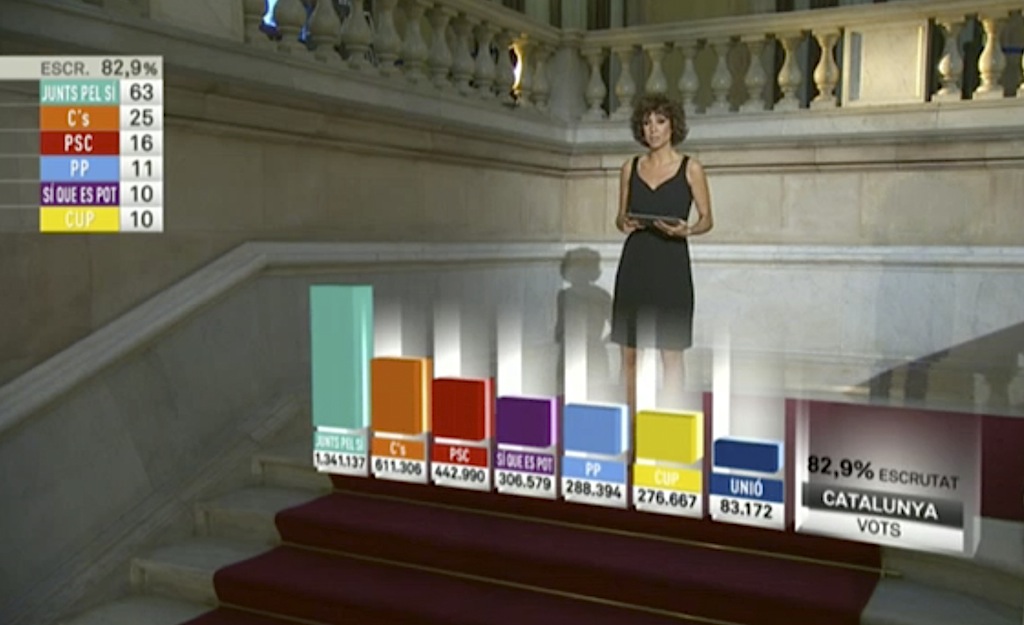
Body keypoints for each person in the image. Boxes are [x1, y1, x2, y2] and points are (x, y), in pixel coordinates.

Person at [609, 93, 713, 423]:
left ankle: (668, 427)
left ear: (673, 125)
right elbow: (620, 218)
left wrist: (688, 230)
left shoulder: (691, 168)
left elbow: (707, 219)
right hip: (635, 263)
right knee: (630, 355)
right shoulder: (630, 167)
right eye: (646, 123)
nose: (652, 129)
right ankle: (631, 428)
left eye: (660, 121)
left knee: (671, 355)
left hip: (671, 265)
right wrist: (624, 222)